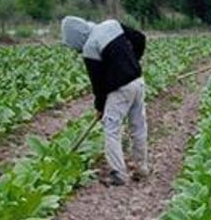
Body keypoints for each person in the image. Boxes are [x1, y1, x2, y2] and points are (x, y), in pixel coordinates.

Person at [60, 16, 148, 187]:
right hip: (137, 81)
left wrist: (100, 107)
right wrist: (132, 62)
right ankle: (141, 168)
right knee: (138, 125)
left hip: (120, 89)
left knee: (111, 129)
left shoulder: (89, 48)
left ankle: (119, 175)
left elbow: (98, 84)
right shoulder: (112, 24)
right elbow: (140, 38)